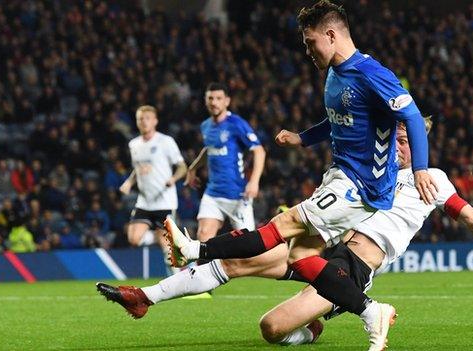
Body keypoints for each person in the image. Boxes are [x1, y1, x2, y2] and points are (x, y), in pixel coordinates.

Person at [96, 120, 473, 350]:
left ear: (420, 144)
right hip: (323, 246)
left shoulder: (433, 179)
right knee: (235, 261)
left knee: (270, 329)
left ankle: (317, 326)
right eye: (397, 137)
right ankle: (145, 298)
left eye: (406, 140)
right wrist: (304, 140)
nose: (399, 145)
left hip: (352, 265)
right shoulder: (372, 170)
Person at [163, 2, 436, 348]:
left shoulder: (371, 73)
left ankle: (195, 249)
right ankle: (371, 312)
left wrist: (421, 169)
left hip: (361, 185)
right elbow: (338, 121)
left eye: (310, 42)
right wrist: (302, 138)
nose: (307, 50)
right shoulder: (336, 73)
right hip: (341, 175)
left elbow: (411, 116)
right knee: (299, 257)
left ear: (332, 35)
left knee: (280, 227)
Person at [184, 82, 266, 242]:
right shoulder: (205, 126)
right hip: (213, 194)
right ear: (205, 101)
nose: (214, 102)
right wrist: (193, 168)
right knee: (203, 236)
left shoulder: (236, 124)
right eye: (210, 98)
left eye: (218, 98)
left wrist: (254, 181)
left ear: (226, 101)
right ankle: (209, 267)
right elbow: (209, 150)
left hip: (237, 194)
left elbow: (259, 151)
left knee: (248, 246)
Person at [119, 105, 187, 272]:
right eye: (140, 118)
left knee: (168, 248)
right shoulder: (134, 144)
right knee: (134, 239)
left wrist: (173, 178)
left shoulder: (165, 141)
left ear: (155, 121)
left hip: (164, 201)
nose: (143, 122)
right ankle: (161, 238)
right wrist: (129, 182)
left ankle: (177, 280)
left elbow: (182, 166)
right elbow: (138, 168)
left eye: (147, 118)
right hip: (144, 201)